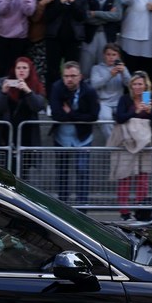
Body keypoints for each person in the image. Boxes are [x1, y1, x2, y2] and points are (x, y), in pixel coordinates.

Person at [111, 71, 152, 221]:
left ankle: (141, 210)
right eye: (135, 84)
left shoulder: (149, 99)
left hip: (145, 144)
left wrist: (150, 112)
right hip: (127, 143)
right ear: (131, 86)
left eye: (140, 84)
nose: (138, 87)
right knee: (124, 177)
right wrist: (135, 111)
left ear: (146, 86)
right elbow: (119, 117)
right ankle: (124, 212)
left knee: (143, 178)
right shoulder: (125, 100)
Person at [50, 62, 100, 207]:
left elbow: (93, 116)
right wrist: (78, 116)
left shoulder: (89, 91)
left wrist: (71, 113)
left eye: (73, 76)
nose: (69, 79)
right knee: (62, 172)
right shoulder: (57, 88)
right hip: (62, 137)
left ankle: (82, 206)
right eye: (66, 76)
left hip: (83, 138)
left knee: (82, 170)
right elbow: (57, 114)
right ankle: (63, 205)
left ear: (80, 77)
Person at [79, 0, 122, 77]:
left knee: (104, 67)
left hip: (107, 36)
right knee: (85, 69)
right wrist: (108, 16)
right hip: (89, 37)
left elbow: (117, 16)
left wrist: (96, 13)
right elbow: (86, 17)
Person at [89, 44, 131, 138]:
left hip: (119, 101)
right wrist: (110, 74)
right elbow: (94, 85)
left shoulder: (123, 68)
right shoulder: (96, 68)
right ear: (104, 55)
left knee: (128, 117)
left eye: (114, 54)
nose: (111, 57)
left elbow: (130, 85)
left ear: (118, 56)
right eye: (108, 54)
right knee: (105, 119)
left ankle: (124, 141)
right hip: (104, 102)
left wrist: (124, 73)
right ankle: (114, 145)